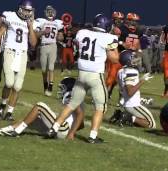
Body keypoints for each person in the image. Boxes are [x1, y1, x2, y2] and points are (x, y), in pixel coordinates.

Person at [46, 14, 119, 143]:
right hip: (95, 76)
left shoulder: (83, 33)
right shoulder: (108, 37)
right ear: (106, 26)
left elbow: (80, 44)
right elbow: (115, 59)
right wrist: (110, 50)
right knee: (100, 107)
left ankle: (54, 128)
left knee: (72, 104)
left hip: (81, 75)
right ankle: (93, 136)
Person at [0, 77, 84, 140]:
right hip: (61, 129)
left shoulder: (73, 97)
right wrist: (73, 130)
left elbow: (80, 114)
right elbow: (81, 124)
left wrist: (71, 133)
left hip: (62, 129)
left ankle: (17, 131)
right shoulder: (73, 99)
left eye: (63, 88)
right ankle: (1, 130)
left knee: (40, 106)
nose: (60, 91)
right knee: (30, 119)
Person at [0, 0, 37, 121]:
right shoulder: (10, 16)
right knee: (9, 83)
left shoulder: (31, 22)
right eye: (26, 10)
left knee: (17, 86)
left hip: (22, 54)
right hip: (9, 51)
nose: (28, 13)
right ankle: (2, 106)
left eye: (30, 11)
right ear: (20, 9)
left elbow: (33, 43)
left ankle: (9, 112)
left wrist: (31, 27)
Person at [110, 50, 155, 128]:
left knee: (147, 103)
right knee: (151, 124)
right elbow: (130, 92)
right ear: (127, 60)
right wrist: (142, 80)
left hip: (127, 103)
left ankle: (119, 115)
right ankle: (128, 117)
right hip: (133, 105)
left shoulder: (121, 71)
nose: (135, 59)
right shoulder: (131, 71)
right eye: (132, 58)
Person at [35, 5, 63, 96]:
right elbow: (36, 35)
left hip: (53, 45)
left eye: (51, 11)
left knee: (51, 67)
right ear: (46, 12)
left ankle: (50, 87)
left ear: (54, 13)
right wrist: (43, 32)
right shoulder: (41, 21)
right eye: (49, 11)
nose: (50, 13)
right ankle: (45, 85)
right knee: (43, 70)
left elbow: (61, 37)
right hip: (43, 46)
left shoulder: (57, 23)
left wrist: (60, 37)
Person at [105, 11, 124, 99]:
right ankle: (104, 94)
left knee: (117, 77)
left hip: (121, 54)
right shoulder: (109, 27)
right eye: (117, 19)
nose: (119, 21)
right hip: (111, 53)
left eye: (120, 19)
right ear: (114, 19)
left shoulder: (124, 29)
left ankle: (109, 92)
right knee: (110, 75)